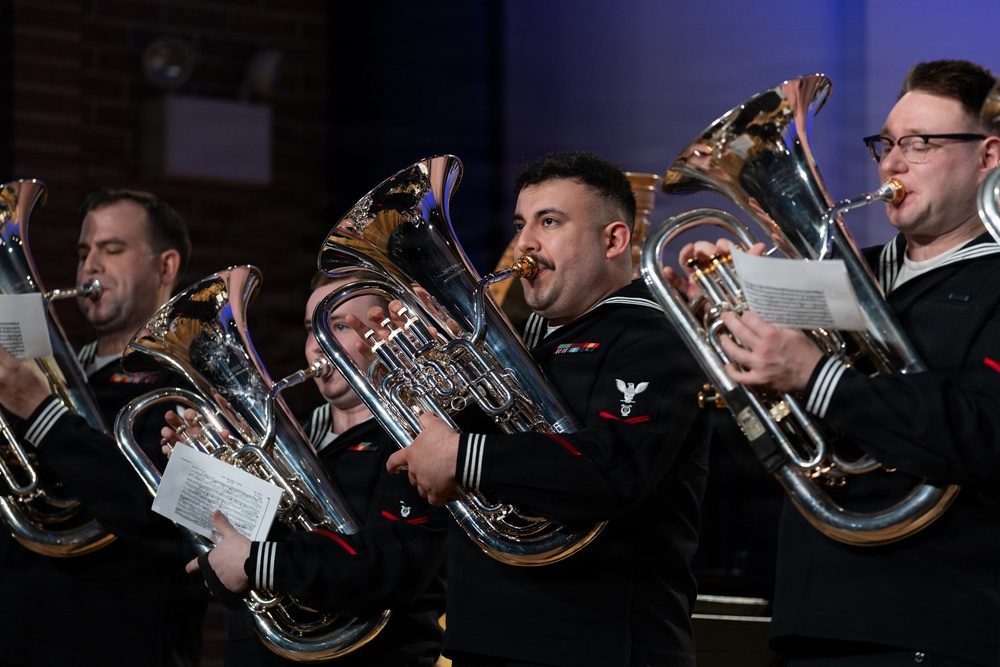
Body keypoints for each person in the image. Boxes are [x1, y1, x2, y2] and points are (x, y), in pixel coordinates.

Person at [673, 60, 1000, 666]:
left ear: (988, 156)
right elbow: (781, 447)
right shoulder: (847, 274)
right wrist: (732, 333)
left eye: (921, 144)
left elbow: (983, 434)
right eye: (887, 143)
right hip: (813, 612)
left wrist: (819, 377)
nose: (893, 163)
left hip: (937, 622)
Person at [381, 150, 712, 666]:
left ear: (613, 240)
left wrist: (462, 456)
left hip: (596, 646)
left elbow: (611, 468)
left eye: (550, 222)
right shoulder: (528, 346)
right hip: (487, 639)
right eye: (520, 224)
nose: (526, 243)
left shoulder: (653, 336)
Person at [177, 271, 448, 666]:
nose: (318, 345)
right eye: (311, 329)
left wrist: (262, 562)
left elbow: (392, 566)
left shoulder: (418, 440)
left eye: (336, 326)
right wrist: (205, 472)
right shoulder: (285, 443)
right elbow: (222, 565)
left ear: (383, 334)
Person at [0, 187, 208, 666]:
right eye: (83, 252)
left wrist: (41, 412)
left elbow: (162, 516)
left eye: (112, 250)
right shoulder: (50, 373)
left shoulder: (189, 388)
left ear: (166, 267)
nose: (89, 266)